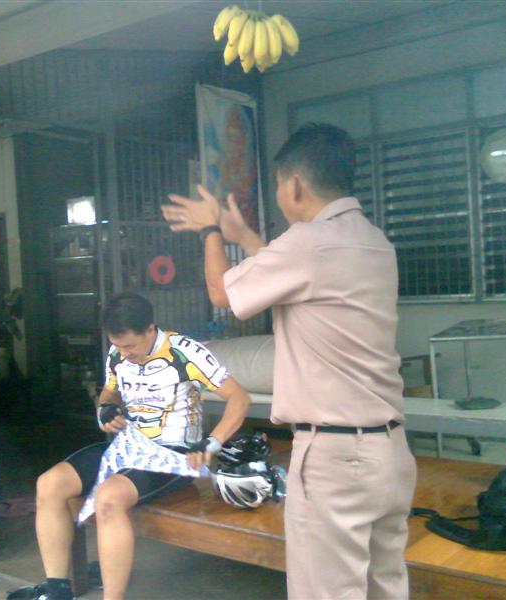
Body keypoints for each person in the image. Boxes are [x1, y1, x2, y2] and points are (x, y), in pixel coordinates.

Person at [162, 123, 417, 600]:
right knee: (384, 587)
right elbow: (290, 273)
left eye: (279, 184)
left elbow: (222, 293)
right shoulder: (373, 242)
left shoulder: (308, 243)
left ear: (295, 184)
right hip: (389, 453)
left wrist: (212, 230)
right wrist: (245, 236)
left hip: (336, 460)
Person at [8, 292, 250, 600]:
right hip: (128, 447)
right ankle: (57, 592)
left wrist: (211, 443)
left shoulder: (185, 351)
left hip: (174, 454)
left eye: (130, 346)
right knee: (49, 484)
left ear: (150, 329)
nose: (124, 353)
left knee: (109, 498)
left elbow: (239, 398)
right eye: (118, 346)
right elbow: (109, 392)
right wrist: (106, 408)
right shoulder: (117, 353)